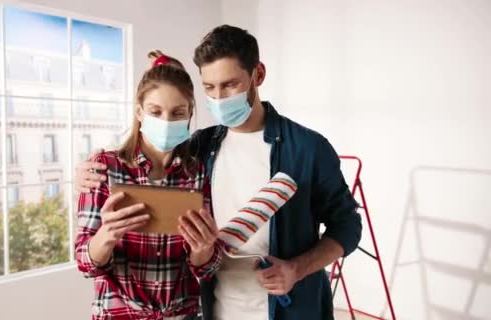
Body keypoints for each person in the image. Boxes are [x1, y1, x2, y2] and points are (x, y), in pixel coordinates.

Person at [76, 26, 362, 320]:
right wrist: (84, 177)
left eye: (230, 84)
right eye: (209, 88)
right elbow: (149, 162)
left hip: (289, 308)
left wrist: (296, 269)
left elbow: (348, 225)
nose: (220, 98)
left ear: (258, 75)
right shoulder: (201, 147)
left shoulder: (307, 147)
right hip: (216, 309)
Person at [75, 50, 222, 320]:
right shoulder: (105, 168)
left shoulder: (197, 173)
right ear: (139, 112)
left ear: (190, 113)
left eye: (178, 112)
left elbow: (207, 268)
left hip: (183, 314)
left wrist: (203, 249)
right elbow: (85, 264)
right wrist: (107, 234)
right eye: (156, 111)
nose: (167, 121)